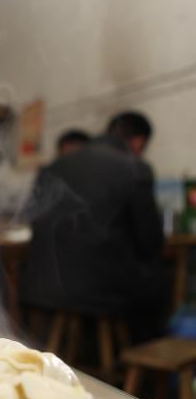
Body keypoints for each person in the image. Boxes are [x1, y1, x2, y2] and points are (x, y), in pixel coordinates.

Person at [21, 111, 164, 341]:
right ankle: (142, 367)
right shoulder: (136, 168)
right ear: (139, 141)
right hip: (99, 294)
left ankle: (86, 352)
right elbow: (150, 241)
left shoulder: (53, 166)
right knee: (157, 282)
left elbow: (30, 217)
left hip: (42, 286)